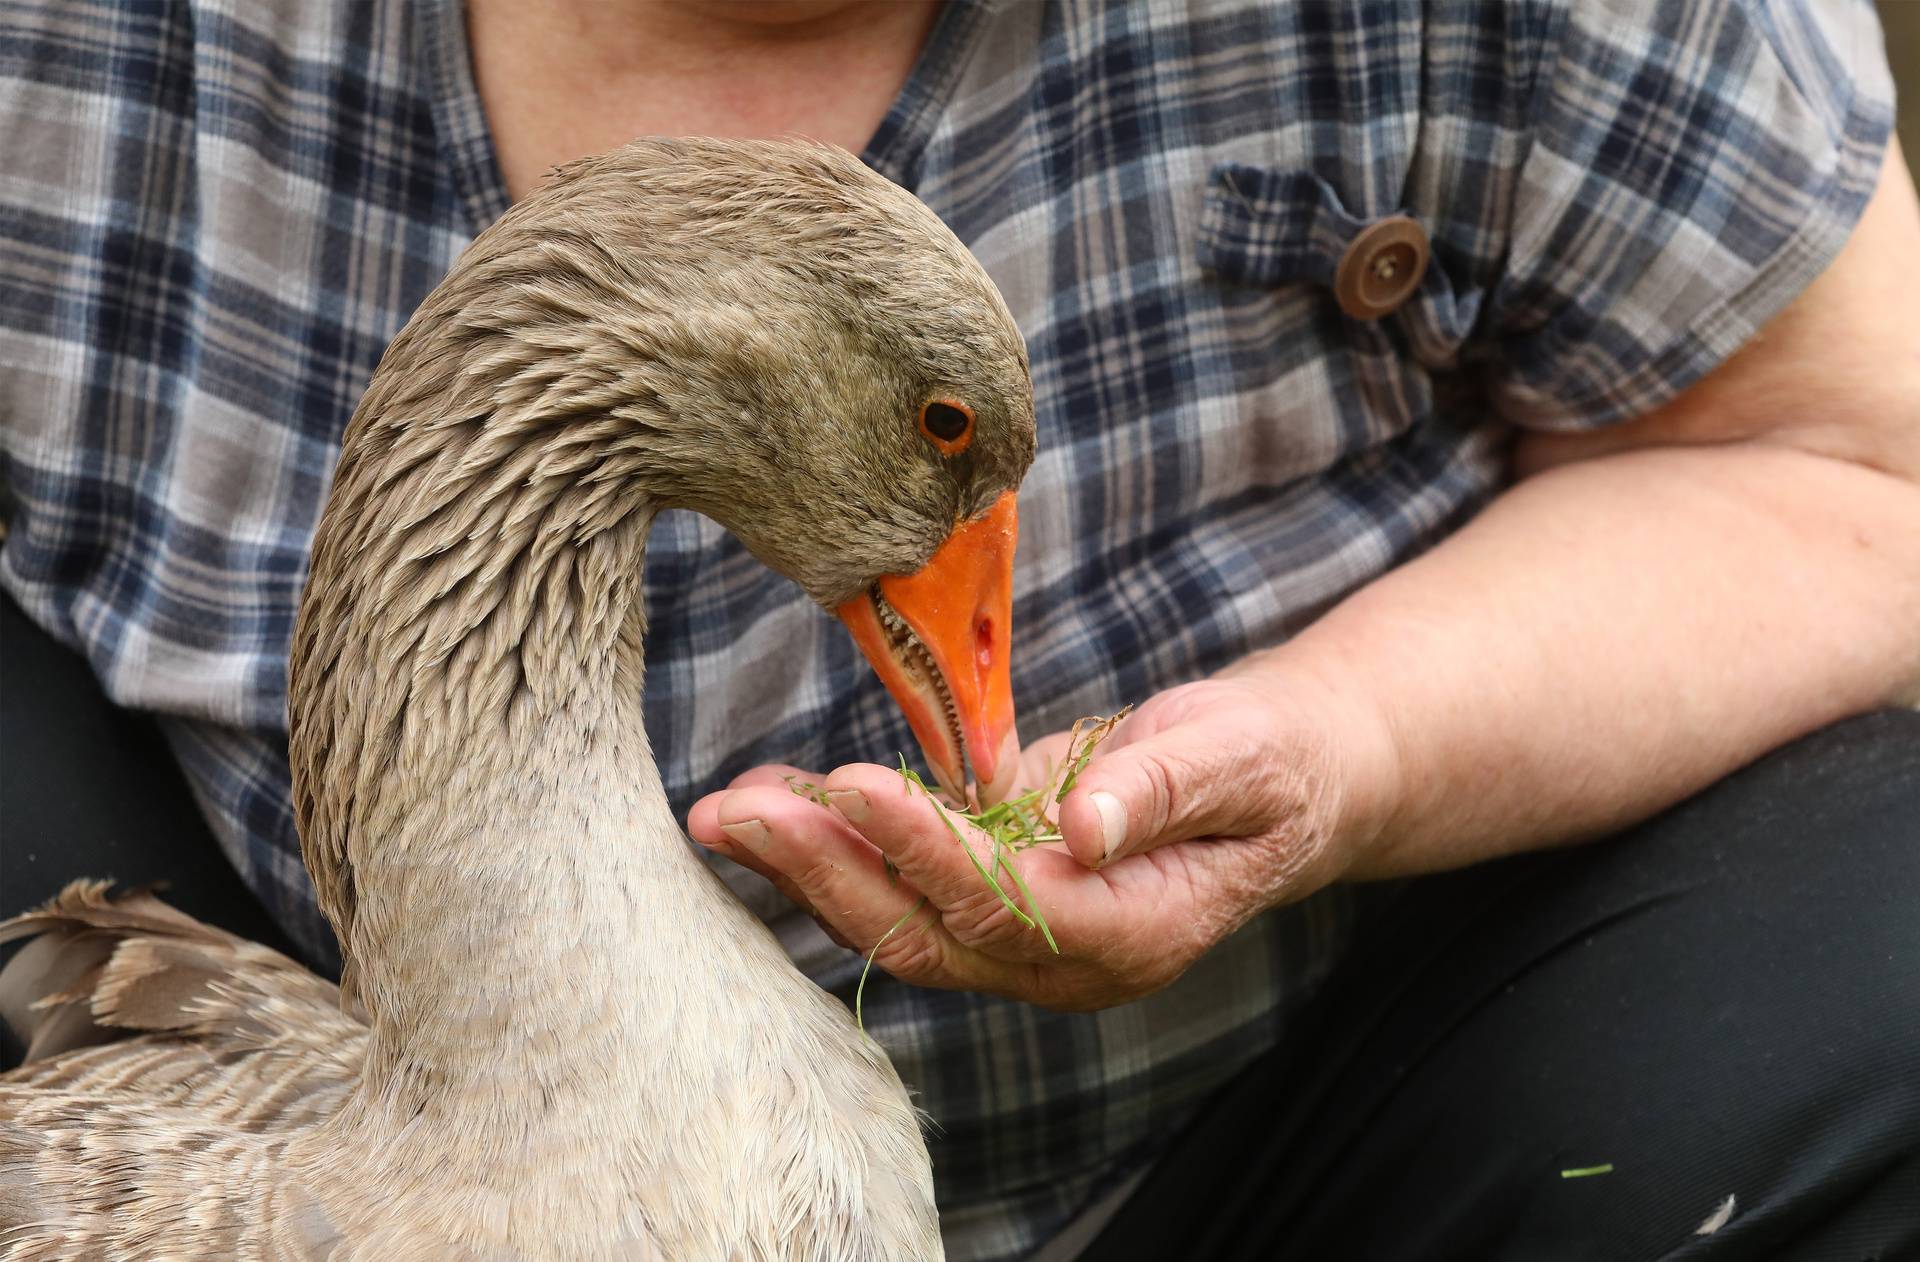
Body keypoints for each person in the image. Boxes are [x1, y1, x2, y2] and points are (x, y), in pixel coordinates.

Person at [2, 1, 1915, 1257]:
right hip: (269, 991)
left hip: (1293, 1136)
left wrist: (1338, 747)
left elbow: (1872, 473)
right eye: (937, 451)